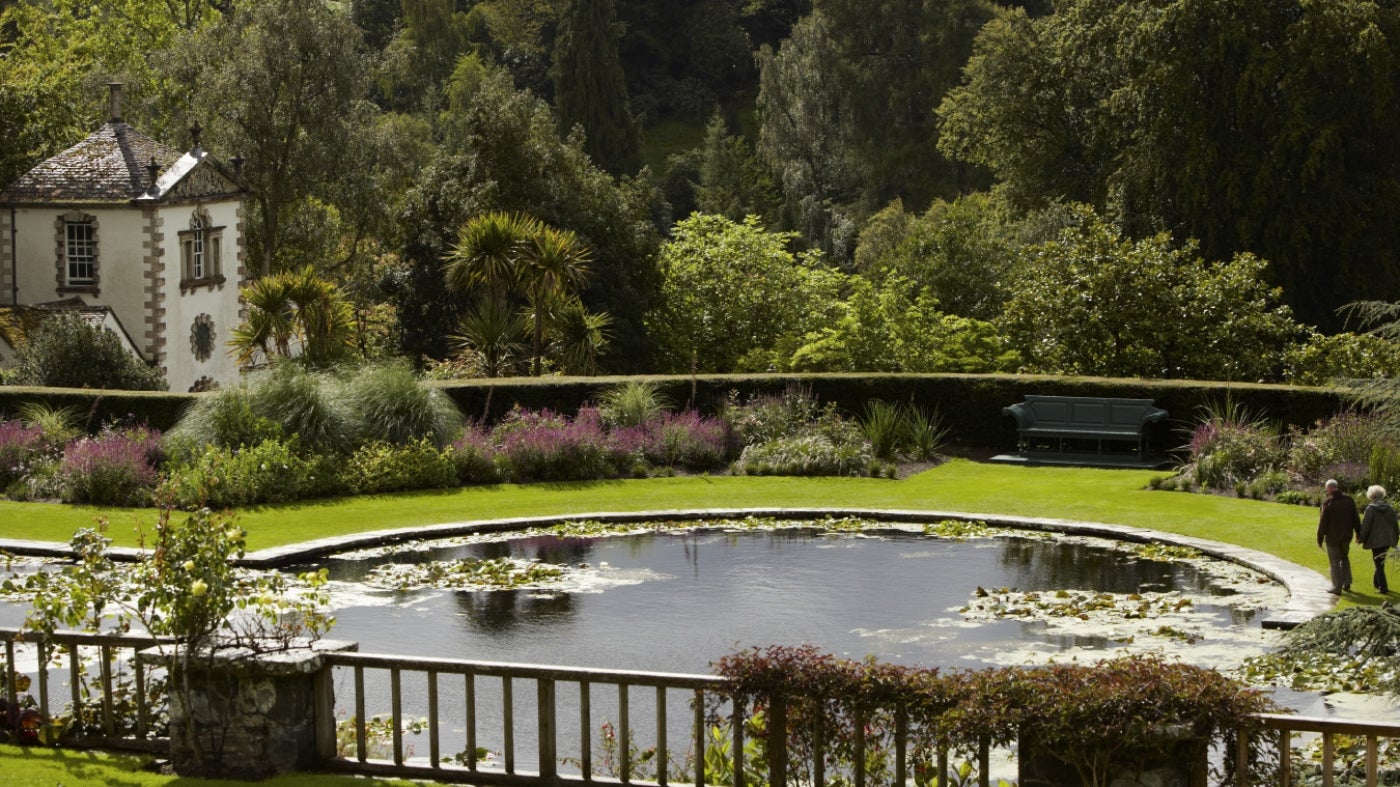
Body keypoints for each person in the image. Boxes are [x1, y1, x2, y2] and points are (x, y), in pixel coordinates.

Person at [1317, 479, 1361, 594]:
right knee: (1345, 558)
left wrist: (1320, 539)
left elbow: (1322, 524)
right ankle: (1347, 582)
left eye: (1326, 489)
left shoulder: (1328, 503)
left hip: (1333, 538)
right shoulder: (1349, 500)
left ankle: (1337, 587)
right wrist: (1358, 533)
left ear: (1330, 488)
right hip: (1346, 536)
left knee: (1335, 562)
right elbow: (1356, 519)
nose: (1326, 491)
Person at [1359, 484, 1400, 594]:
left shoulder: (1370, 509)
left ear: (1371, 495)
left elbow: (1366, 526)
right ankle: (1376, 583)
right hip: (1388, 539)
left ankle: (1383, 588)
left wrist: (1360, 538)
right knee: (1380, 562)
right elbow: (1395, 525)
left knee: (1379, 563)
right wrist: (1396, 538)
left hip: (1376, 540)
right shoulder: (1389, 508)